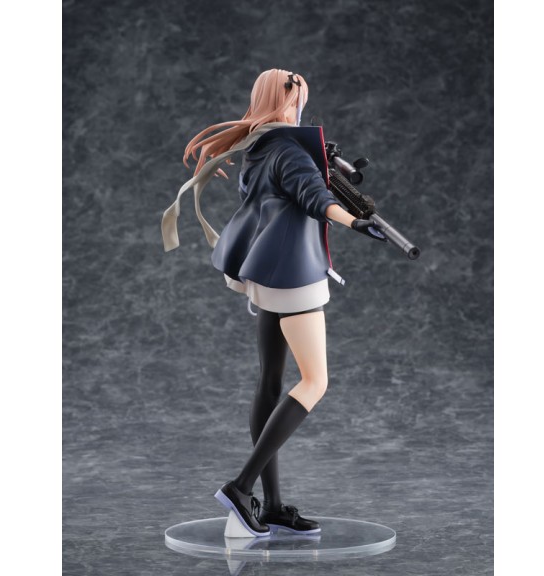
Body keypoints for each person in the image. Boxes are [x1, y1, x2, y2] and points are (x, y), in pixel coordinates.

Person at [161, 69, 386, 537]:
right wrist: (355, 222)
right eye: (297, 100)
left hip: (266, 273)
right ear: (287, 101)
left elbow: (292, 190)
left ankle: (274, 505)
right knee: (315, 382)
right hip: (294, 277)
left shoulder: (260, 145)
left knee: (269, 384)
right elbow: (314, 197)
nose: (300, 107)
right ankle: (241, 488)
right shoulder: (287, 150)